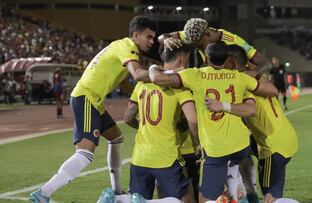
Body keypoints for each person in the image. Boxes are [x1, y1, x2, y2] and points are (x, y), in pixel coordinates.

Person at [30, 15, 158, 203]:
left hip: (93, 100)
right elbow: (138, 74)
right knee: (85, 154)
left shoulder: (123, 47)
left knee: (116, 138)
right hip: (86, 97)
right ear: (136, 35)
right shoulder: (128, 46)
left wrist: (135, 94)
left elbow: (121, 80)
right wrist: (165, 74)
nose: (152, 42)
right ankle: (43, 193)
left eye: (153, 38)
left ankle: (117, 192)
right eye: (149, 36)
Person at [149, 41, 278, 203]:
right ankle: (238, 193)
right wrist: (255, 75)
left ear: (207, 59)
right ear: (228, 61)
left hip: (216, 148)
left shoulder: (195, 74)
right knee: (233, 173)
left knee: (205, 198)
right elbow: (272, 91)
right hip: (241, 145)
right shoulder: (239, 77)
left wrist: (152, 68)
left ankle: (233, 195)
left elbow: (157, 78)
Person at [206, 50, 298, 203]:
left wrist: (221, 106)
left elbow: (248, 109)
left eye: (225, 63)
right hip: (286, 138)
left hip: (273, 147)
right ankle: (247, 195)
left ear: (233, 63)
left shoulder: (241, 83)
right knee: (244, 156)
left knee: (270, 198)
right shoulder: (258, 78)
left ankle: (243, 195)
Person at [122, 44, 197, 203]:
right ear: (182, 58)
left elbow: (128, 117)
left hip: (139, 157)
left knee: (139, 199)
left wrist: (144, 127)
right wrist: (199, 142)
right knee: (187, 196)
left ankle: (121, 200)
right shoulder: (178, 84)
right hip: (167, 156)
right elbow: (192, 119)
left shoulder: (142, 82)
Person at [158, 18, 270, 70]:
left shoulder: (233, 41)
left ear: (207, 34)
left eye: (200, 45)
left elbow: (264, 62)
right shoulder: (195, 35)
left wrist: (251, 76)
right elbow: (163, 36)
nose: (199, 49)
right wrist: (165, 40)